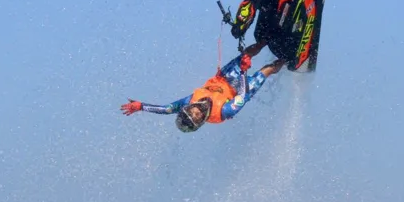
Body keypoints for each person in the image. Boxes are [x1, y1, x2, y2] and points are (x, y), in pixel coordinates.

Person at [120, 43, 285, 133]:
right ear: (201, 122)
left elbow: (168, 109)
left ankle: (267, 39)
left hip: (223, 78)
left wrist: (141, 106)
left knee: (246, 54)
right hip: (240, 89)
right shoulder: (224, 112)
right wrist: (243, 70)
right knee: (267, 70)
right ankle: (288, 58)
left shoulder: (189, 101)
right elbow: (242, 95)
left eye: (192, 111)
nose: (197, 111)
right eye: (197, 117)